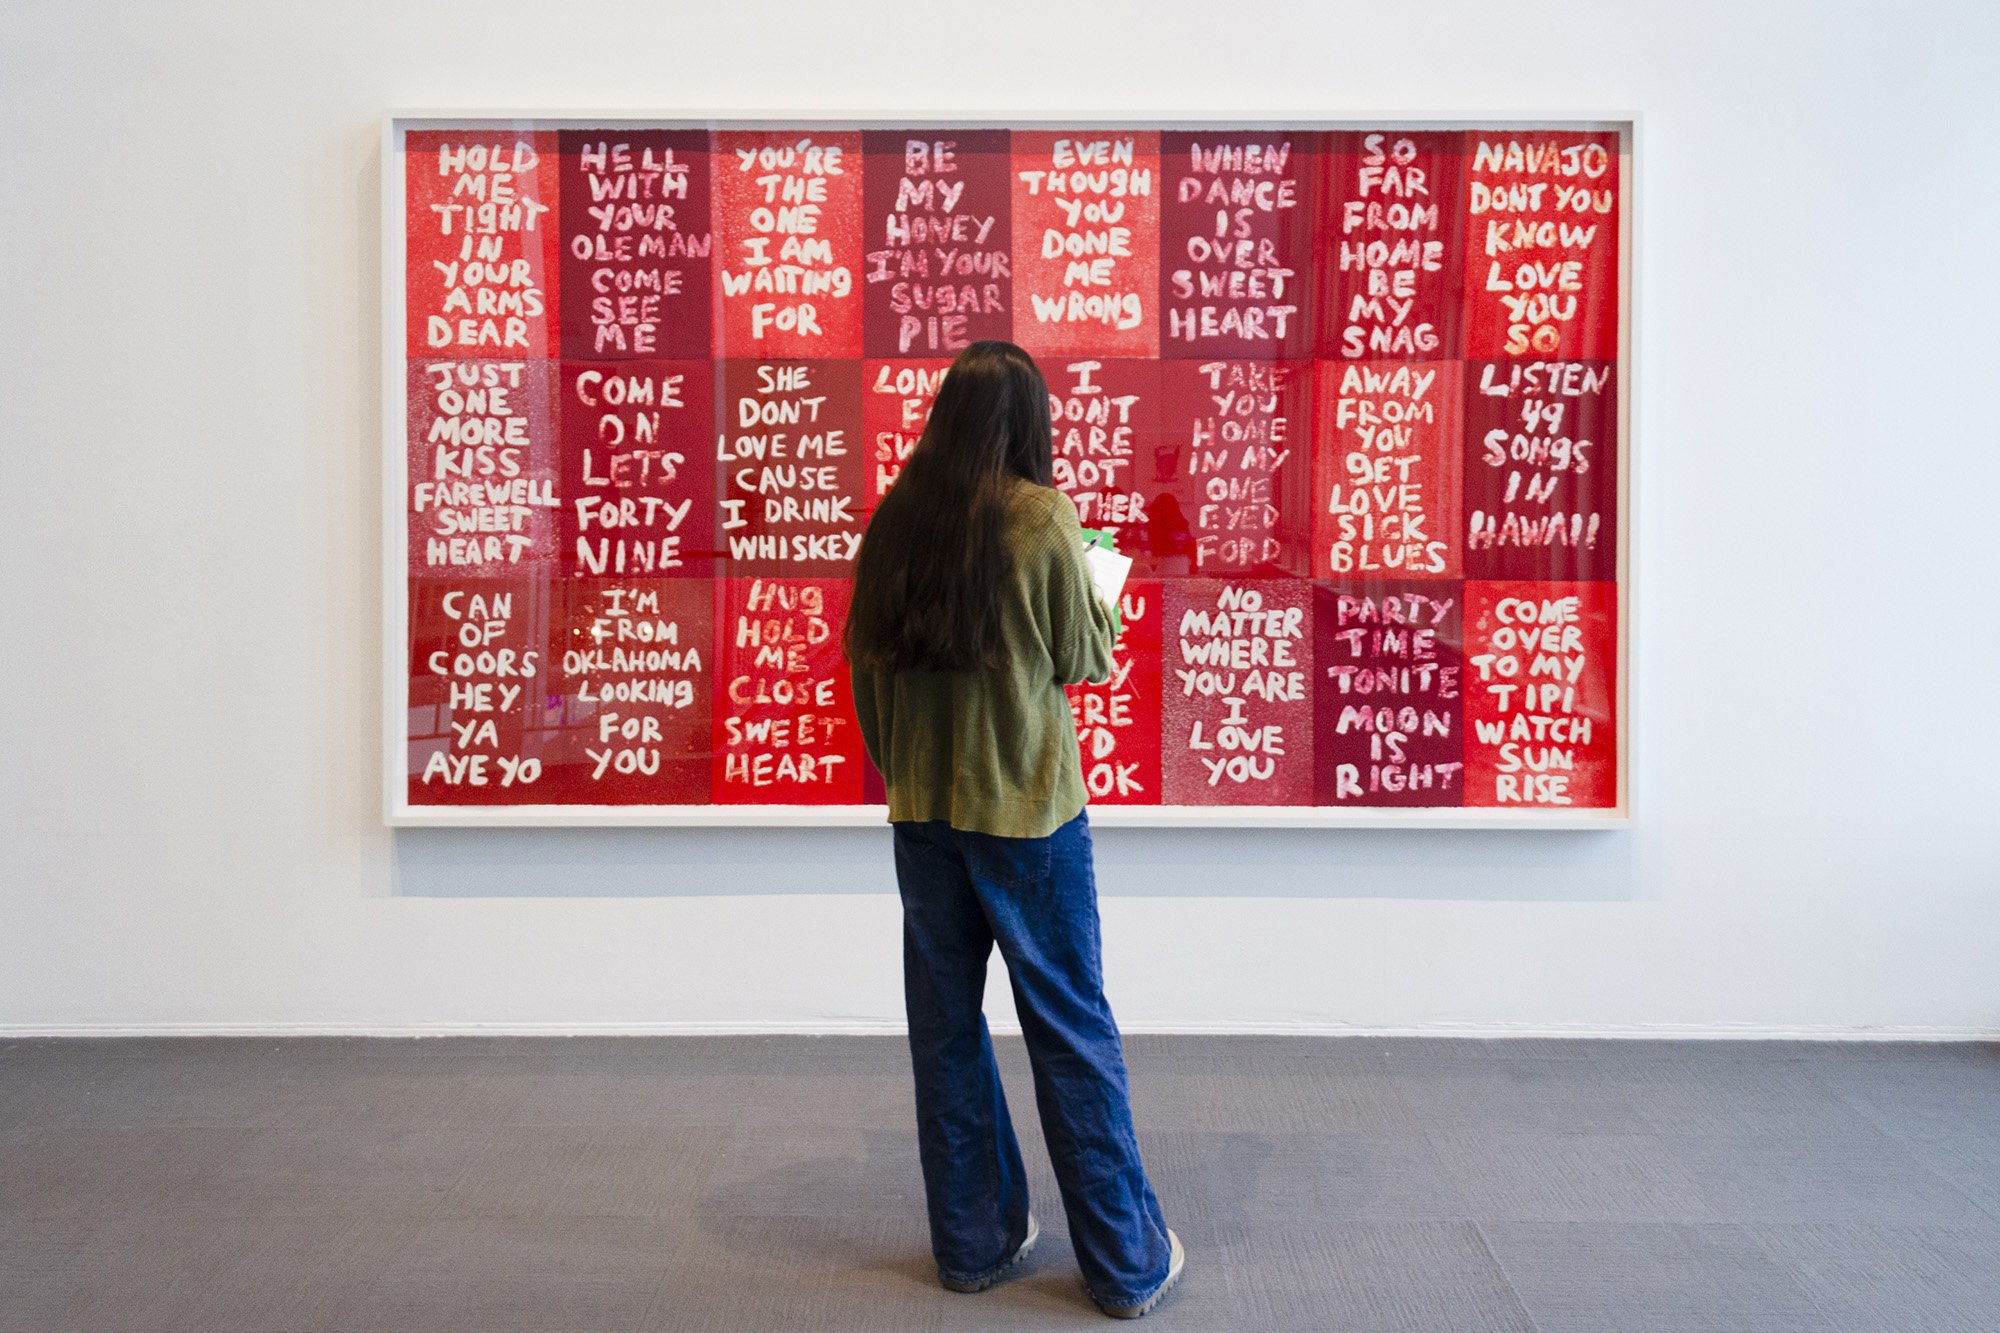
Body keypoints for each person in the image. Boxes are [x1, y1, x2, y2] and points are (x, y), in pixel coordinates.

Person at [842, 340, 1184, 1319]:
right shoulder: (1041, 519)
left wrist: (909, 769)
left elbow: (865, 668)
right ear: (1030, 422)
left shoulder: (896, 520)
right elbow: (1084, 657)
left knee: (945, 1030)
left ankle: (973, 1242)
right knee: (1070, 1025)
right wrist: (1100, 585)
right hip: (1029, 816)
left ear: (943, 417)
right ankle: (1124, 1263)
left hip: (924, 818)